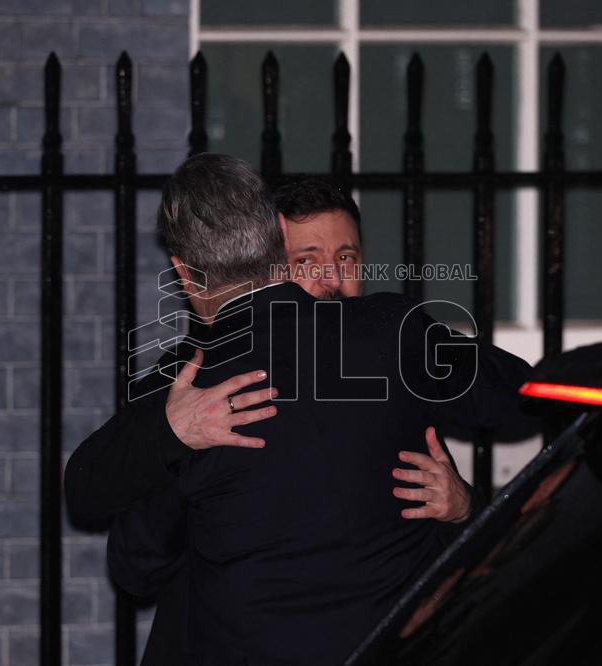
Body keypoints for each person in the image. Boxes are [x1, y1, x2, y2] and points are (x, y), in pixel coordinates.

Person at [105, 154, 537, 663]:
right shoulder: (189, 382)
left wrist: (464, 509)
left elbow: (527, 399)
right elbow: (138, 557)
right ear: (266, 268)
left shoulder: (391, 351)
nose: (331, 278)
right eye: (306, 261)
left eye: (347, 259)